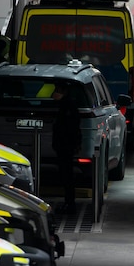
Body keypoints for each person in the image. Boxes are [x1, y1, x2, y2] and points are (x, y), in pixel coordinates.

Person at [51, 81, 81, 213]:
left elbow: (70, 128)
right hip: (64, 145)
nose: (54, 94)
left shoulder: (67, 107)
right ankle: (69, 202)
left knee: (67, 175)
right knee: (65, 175)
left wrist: (73, 144)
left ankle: (70, 203)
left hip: (65, 145)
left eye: (57, 91)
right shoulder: (65, 106)